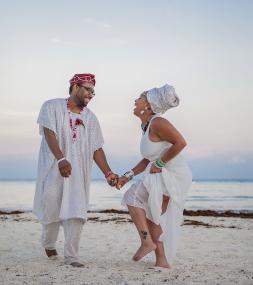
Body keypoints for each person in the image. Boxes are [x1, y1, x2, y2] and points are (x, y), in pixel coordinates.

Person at [33, 73, 118, 267]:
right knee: (51, 207)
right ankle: (48, 242)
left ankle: (72, 257)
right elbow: (49, 132)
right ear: (74, 87)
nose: (91, 94)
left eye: (93, 91)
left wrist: (108, 173)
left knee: (76, 211)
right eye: (88, 89)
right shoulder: (51, 106)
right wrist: (61, 159)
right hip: (52, 169)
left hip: (79, 174)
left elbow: (97, 148)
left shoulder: (91, 118)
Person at [117, 84, 192, 268]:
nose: (135, 100)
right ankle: (162, 260)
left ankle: (146, 242)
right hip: (161, 173)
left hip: (172, 175)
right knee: (151, 214)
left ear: (149, 105)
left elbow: (181, 143)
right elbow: (147, 159)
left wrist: (160, 163)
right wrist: (128, 175)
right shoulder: (147, 125)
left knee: (132, 197)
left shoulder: (159, 122)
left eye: (139, 98)